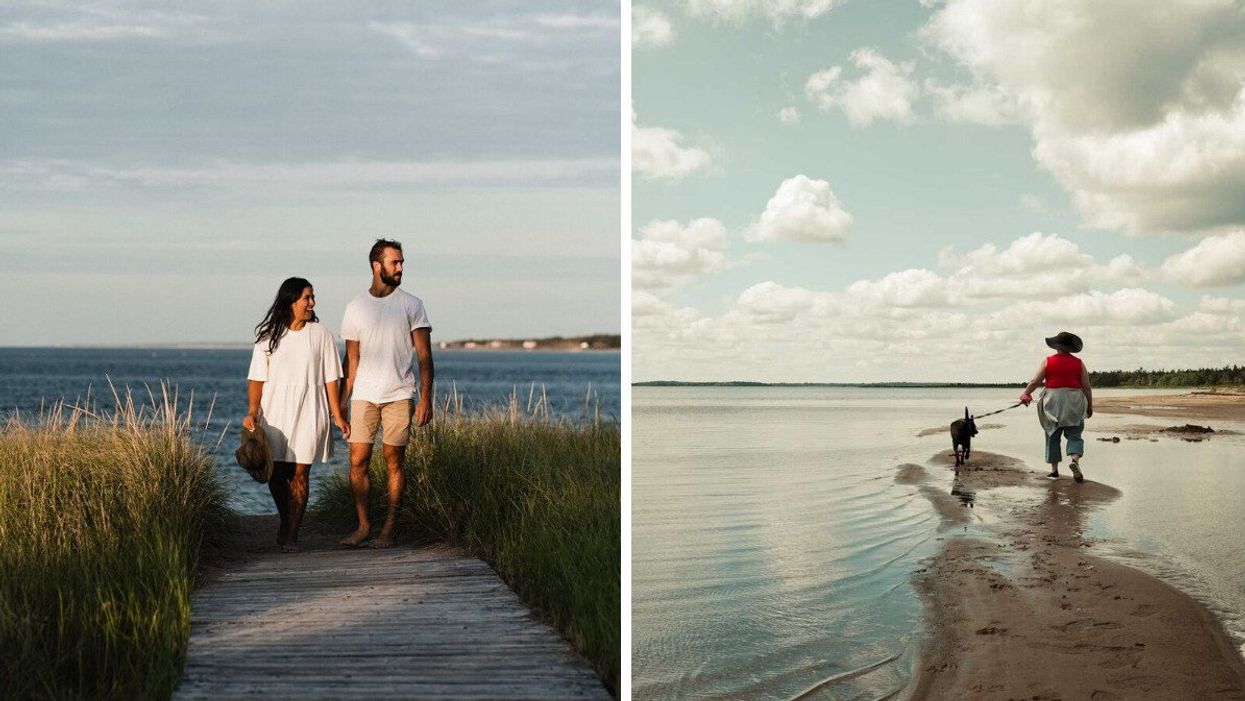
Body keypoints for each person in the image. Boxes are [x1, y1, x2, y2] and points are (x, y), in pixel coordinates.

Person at [338, 239, 435, 548]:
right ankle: (364, 527)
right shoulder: (355, 307)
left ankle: (389, 530)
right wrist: (342, 402)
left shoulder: (412, 304)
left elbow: (424, 357)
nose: (401, 267)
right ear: (376, 266)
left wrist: (426, 398)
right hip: (363, 395)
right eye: (395, 262)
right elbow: (351, 360)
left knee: (394, 462)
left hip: (399, 393)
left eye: (402, 262)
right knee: (358, 461)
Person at [243, 277, 350, 552]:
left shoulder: (321, 334)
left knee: (301, 473)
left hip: (311, 409)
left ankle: (292, 535)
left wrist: (337, 415)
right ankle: (286, 518)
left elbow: (331, 378)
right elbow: (256, 379)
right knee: (276, 474)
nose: (312, 302)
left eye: (312, 297)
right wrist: (253, 412)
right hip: (275, 412)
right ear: (291, 302)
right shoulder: (268, 336)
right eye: (307, 298)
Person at [1018, 331, 1093, 483]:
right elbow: (1086, 386)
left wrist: (1026, 393)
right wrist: (1090, 405)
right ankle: (1074, 460)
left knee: (1052, 435)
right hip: (1074, 401)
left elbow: (1035, 381)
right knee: (1075, 434)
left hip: (1053, 401)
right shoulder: (1079, 363)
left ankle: (1054, 472)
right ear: (1071, 348)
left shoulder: (1048, 361)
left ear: (1056, 346)